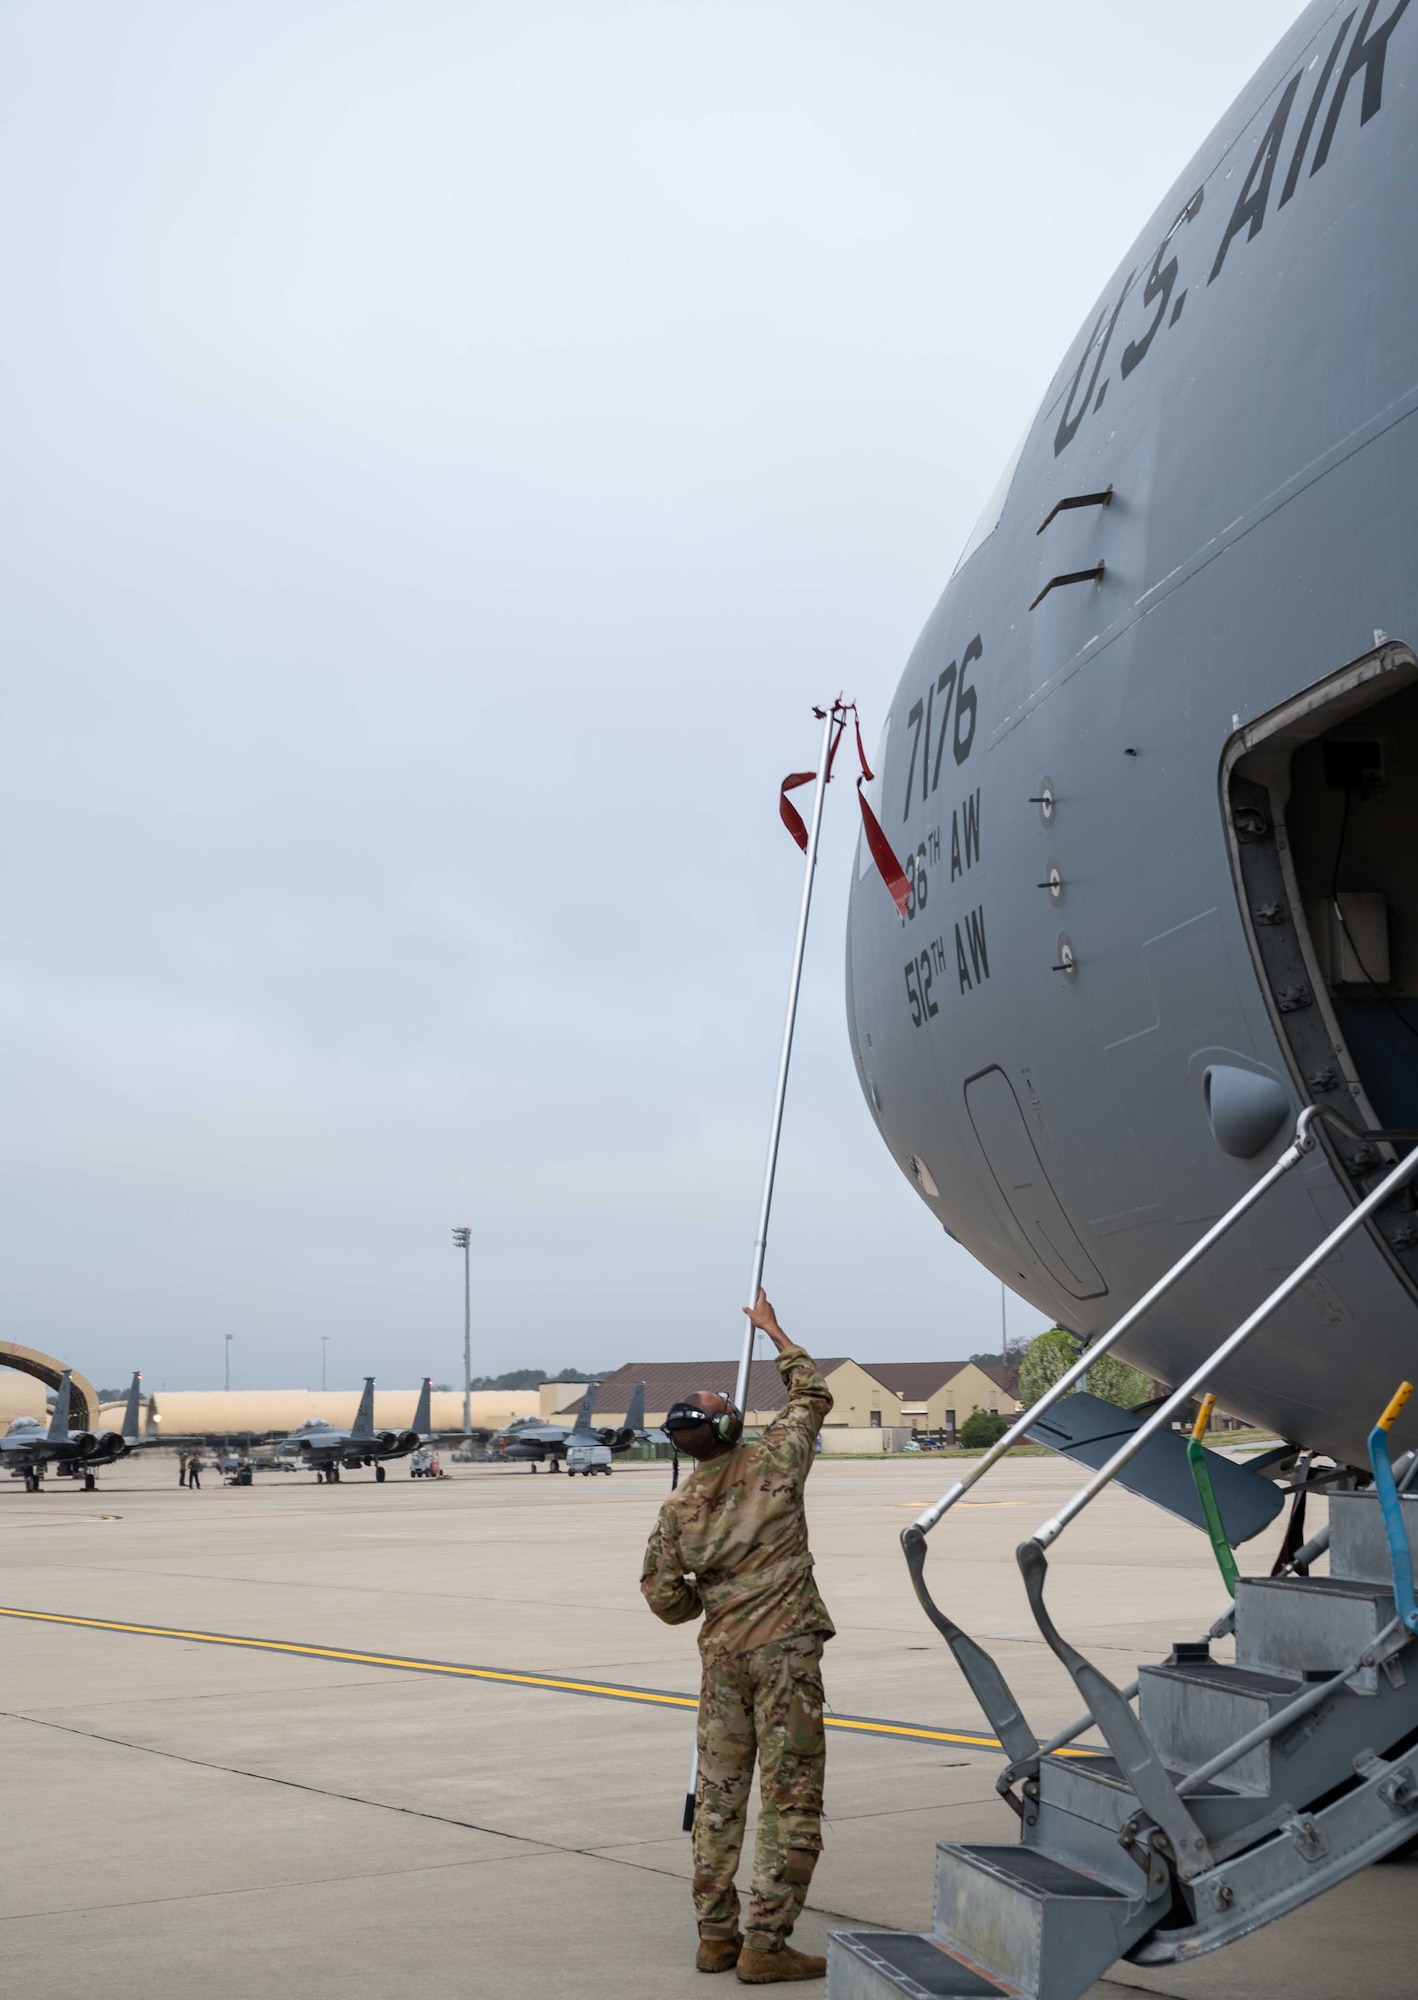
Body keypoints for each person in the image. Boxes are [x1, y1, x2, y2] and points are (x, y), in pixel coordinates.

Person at [641, 1290, 833, 1985]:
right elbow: (811, 1395)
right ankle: (766, 1943)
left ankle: (715, 1938)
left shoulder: (678, 1509)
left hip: (722, 1660)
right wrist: (774, 1331)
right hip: (784, 1655)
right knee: (792, 1797)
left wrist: (710, 1596)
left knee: (719, 1796)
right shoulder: (774, 1462)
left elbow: (665, 1600)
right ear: (727, 1430)